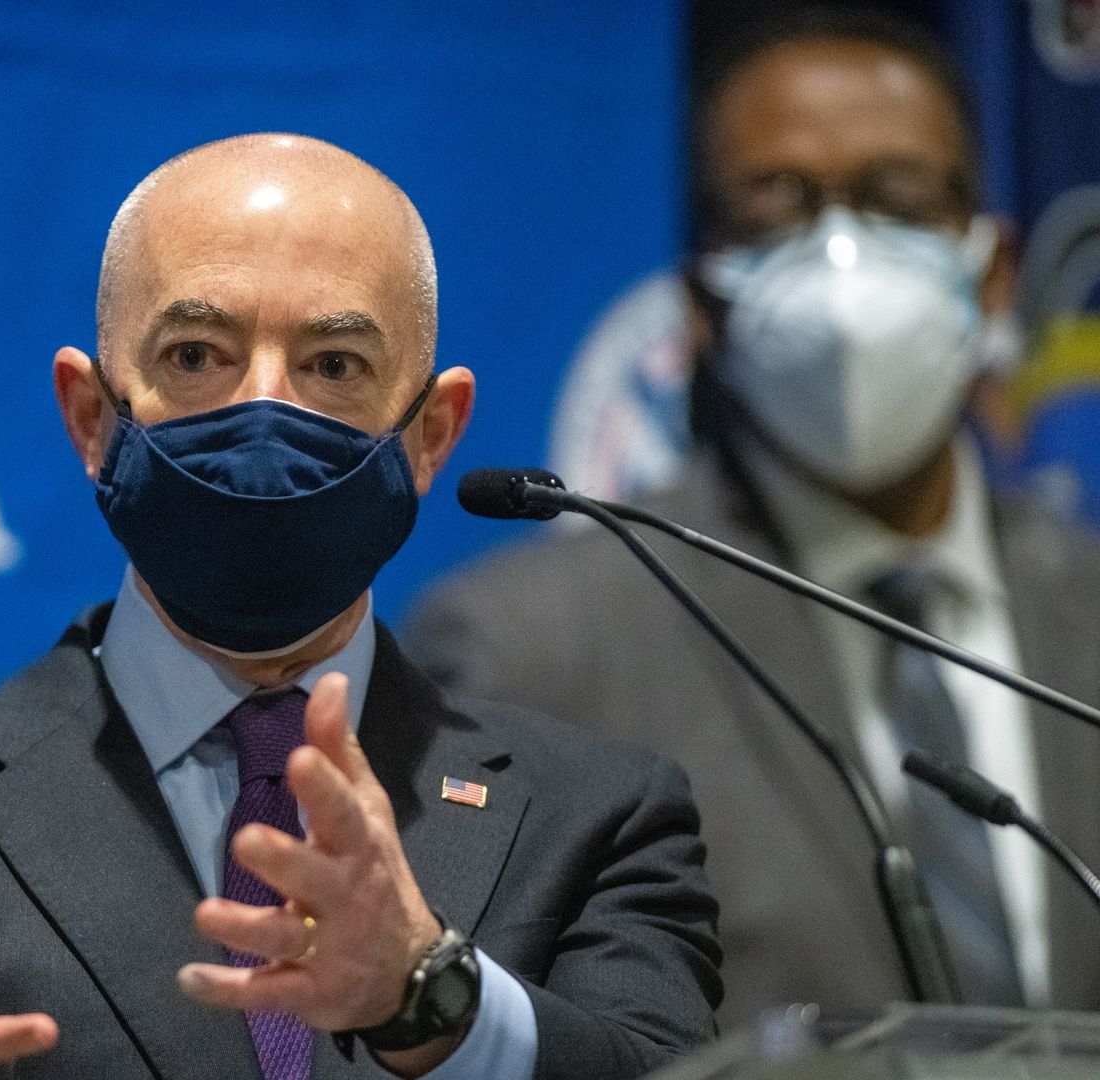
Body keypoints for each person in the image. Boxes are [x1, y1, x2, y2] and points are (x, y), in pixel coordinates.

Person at [0, 134, 721, 1080]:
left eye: (334, 366)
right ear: (92, 417)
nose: (263, 413)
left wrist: (436, 1000)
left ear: (432, 434)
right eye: (196, 355)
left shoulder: (600, 818)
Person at [406, 9, 1100, 1029]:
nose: (844, 257)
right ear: (701, 298)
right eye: (777, 208)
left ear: (993, 273)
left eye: (898, 198)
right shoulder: (533, 657)